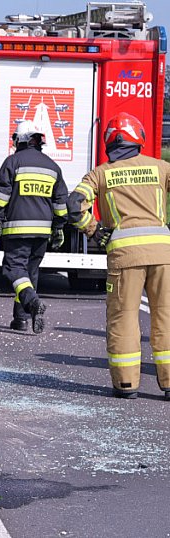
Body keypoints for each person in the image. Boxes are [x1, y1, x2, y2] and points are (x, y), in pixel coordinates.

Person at [67, 111, 170, 399]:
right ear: (139, 139)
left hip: (124, 257)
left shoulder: (100, 174)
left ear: (109, 142)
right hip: (163, 255)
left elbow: (74, 204)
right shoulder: (161, 167)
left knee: (123, 317)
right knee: (166, 315)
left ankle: (126, 384)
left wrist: (94, 230)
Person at [0, 120, 69, 334]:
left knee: (14, 269)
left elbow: (0, 196)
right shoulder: (52, 167)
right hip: (42, 233)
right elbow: (61, 204)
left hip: (17, 230)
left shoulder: (13, 162)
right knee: (29, 274)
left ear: (21, 139)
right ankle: (21, 319)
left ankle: (32, 301)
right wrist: (59, 227)